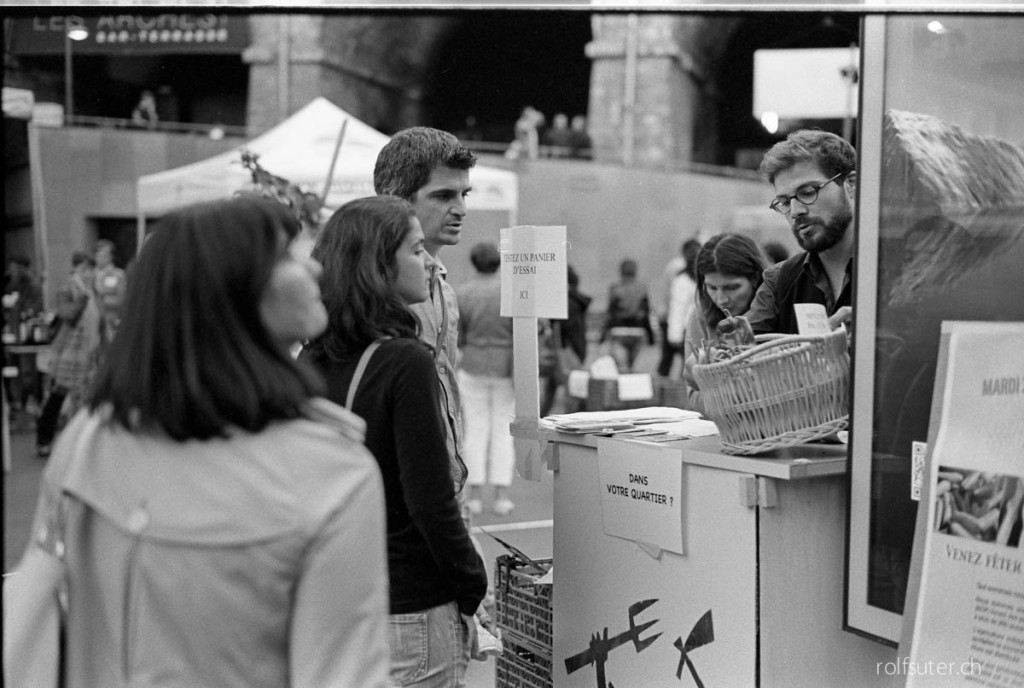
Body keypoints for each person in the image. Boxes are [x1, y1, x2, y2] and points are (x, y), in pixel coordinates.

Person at [21, 195, 389, 687]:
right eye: (285, 255)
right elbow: (345, 676)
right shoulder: (332, 472)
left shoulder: (90, 437)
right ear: (229, 290)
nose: (315, 267)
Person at [302, 196, 489, 687]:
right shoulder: (404, 361)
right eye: (416, 250)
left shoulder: (309, 359)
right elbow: (429, 499)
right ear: (378, 268)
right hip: (411, 607)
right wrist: (472, 582)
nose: (429, 263)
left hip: (337, 603)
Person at [373, 126, 476, 508]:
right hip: (405, 501)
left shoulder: (441, 283)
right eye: (444, 195)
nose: (461, 209)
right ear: (398, 200)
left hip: (443, 489)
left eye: (464, 194)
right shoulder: (377, 289)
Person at [746, 129, 857, 335]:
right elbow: (743, 354)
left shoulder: (891, 270)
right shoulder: (779, 281)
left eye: (808, 192)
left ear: (851, 184)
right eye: (785, 202)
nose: (796, 211)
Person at [456, 242, 515, 517]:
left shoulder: (464, 293)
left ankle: (475, 495)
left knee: (475, 430)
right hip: (506, 367)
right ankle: (502, 496)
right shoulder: (511, 292)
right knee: (503, 430)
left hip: (473, 363)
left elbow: (460, 335)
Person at [681, 233, 768, 413]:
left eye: (732, 287)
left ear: (755, 279)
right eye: (712, 287)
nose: (721, 300)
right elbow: (693, 394)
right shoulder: (700, 316)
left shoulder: (777, 308)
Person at [36, 251, 101, 458]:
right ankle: (44, 439)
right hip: (69, 352)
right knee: (59, 395)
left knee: (83, 398)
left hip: (88, 352)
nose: (89, 274)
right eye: (85, 269)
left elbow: (99, 322)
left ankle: (79, 443)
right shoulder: (69, 289)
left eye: (91, 269)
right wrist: (82, 298)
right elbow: (68, 315)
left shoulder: (93, 292)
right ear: (76, 268)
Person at [539, 264, 592, 417]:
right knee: (554, 388)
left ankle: (570, 420)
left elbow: (561, 327)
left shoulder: (568, 303)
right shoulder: (573, 300)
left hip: (566, 351)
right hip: (570, 349)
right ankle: (541, 419)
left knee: (571, 389)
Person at [656, 238, 701, 377]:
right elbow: (677, 307)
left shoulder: (704, 278)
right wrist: (674, 335)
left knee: (693, 367)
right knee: (687, 367)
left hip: (698, 329)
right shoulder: (681, 279)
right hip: (686, 330)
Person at [600, 258, 654, 372]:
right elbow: (646, 313)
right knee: (632, 367)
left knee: (622, 367)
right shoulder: (642, 289)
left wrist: (603, 335)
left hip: (618, 331)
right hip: (638, 331)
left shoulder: (615, 288)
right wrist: (651, 336)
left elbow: (610, 313)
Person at [92, 239, 128, 350]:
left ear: (111, 256)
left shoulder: (118, 275)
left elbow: (121, 299)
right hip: (92, 322)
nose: (99, 257)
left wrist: (100, 302)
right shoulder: (90, 274)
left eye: (103, 254)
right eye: (97, 254)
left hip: (110, 321)